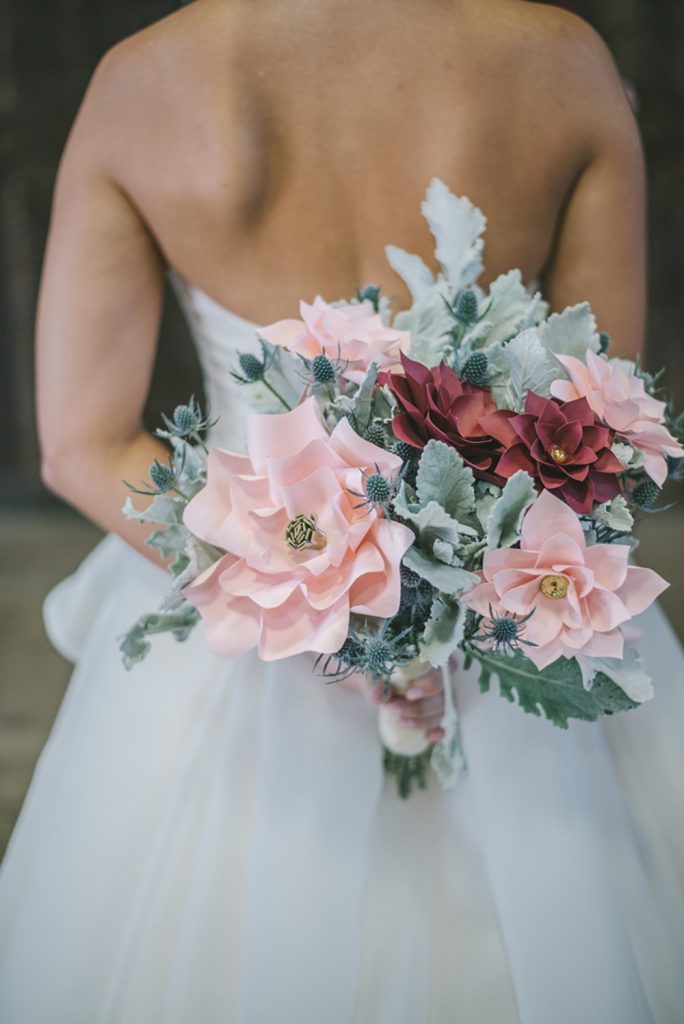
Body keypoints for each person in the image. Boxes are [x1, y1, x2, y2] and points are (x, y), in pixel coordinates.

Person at [1, 1, 683, 1020]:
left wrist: (323, 605)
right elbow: (599, 438)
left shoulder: (145, 82)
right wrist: (436, 604)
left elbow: (80, 445)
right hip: (523, 618)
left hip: (241, 636)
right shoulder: (561, 63)